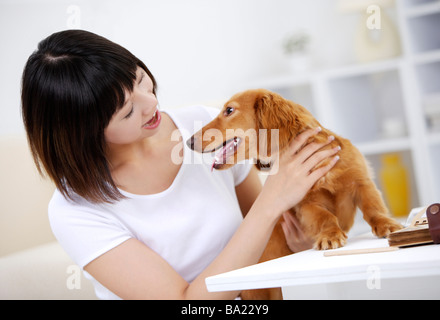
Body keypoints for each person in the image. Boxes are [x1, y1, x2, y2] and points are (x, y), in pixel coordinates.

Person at [21, 30, 339, 299]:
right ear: (84, 132)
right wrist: (271, 204)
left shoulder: (205, 126)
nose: (152, 103)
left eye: (141, 79)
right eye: (128, 111)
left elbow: (268, 237)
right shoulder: (76, 211)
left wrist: (298, 239)